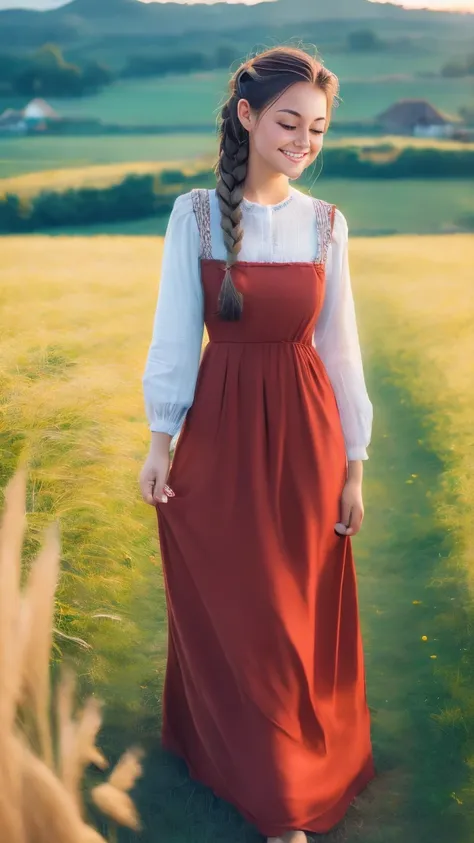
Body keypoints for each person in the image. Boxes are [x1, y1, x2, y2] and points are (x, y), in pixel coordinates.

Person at [139, 46, 375, 843]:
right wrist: (159, 440)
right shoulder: (196, 216)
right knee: (243, 606)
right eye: (288, 122)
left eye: (316, 128)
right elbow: (175, 334)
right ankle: (241, 761)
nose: (304, 140)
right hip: (222, 434)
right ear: (247, 115)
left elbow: (342, 350)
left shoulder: (327, 224)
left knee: (291, 611)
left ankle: (285, 787)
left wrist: (356, 464)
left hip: (307, 440)